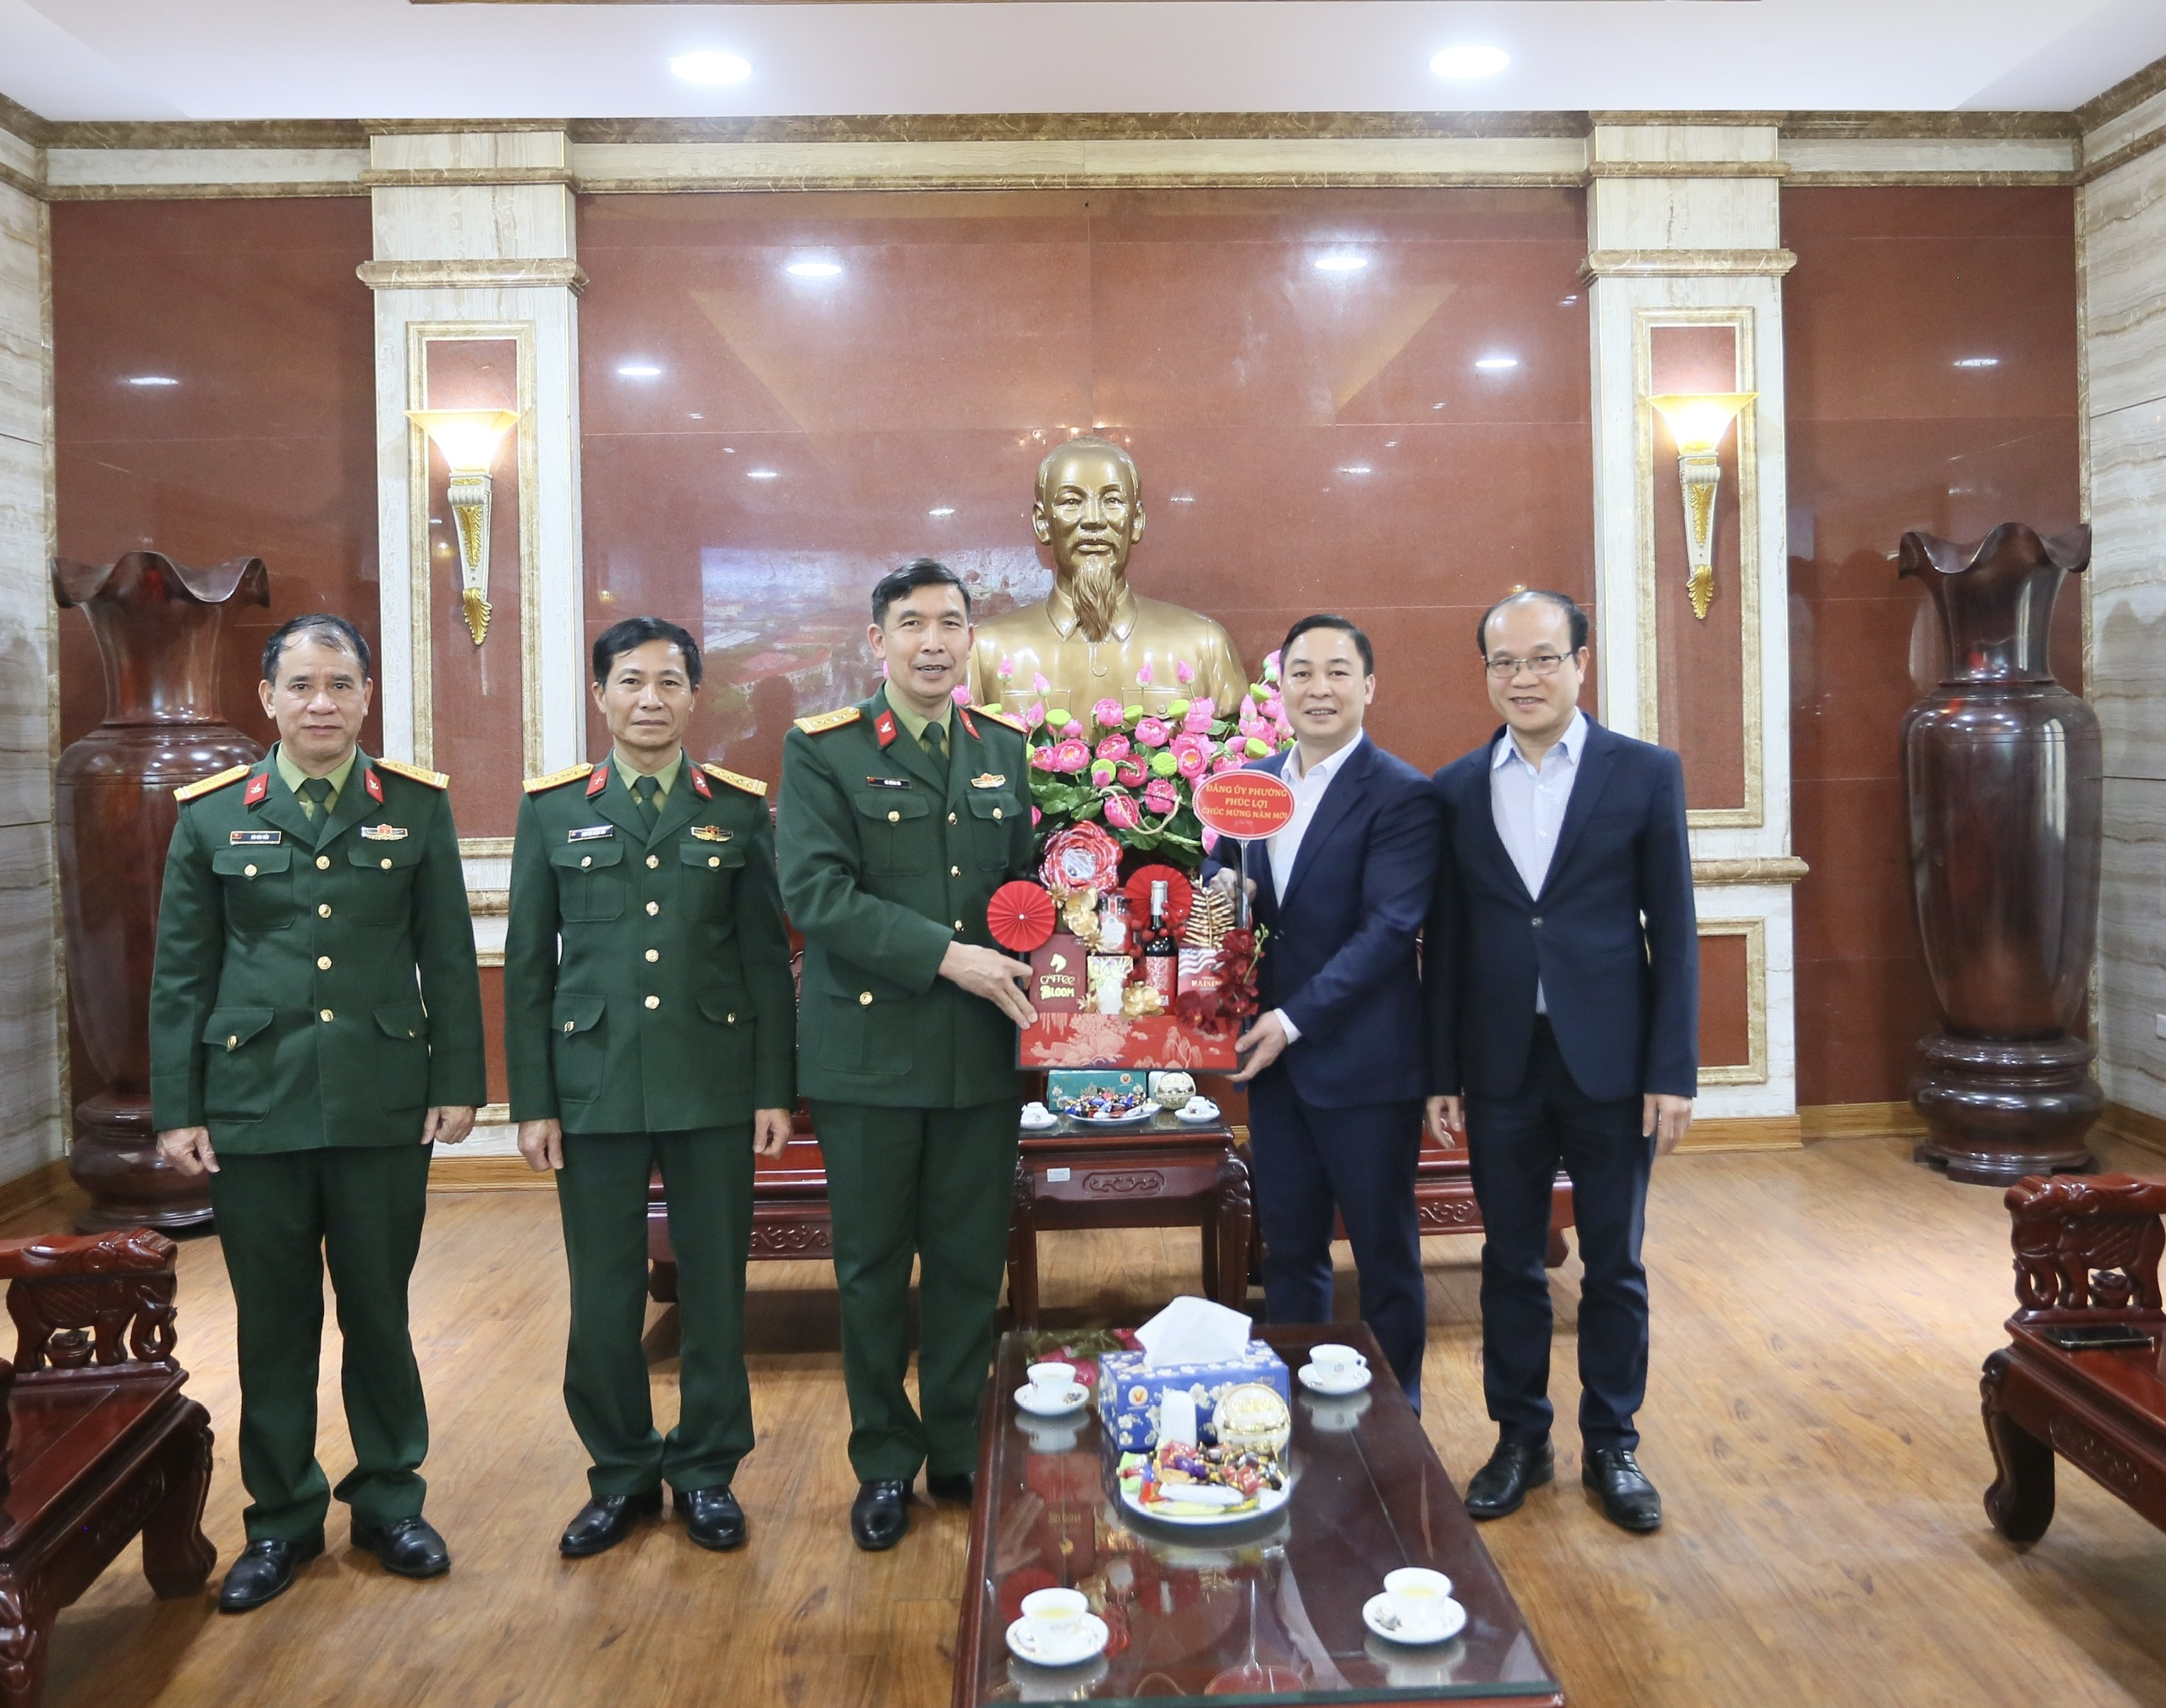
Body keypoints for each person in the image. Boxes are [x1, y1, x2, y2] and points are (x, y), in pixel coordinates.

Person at [148, 612, 485, 1612]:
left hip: (383, 1102)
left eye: (340, 684)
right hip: (256, 1105)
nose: (322, 703)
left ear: (367, 696)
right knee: (274, 1325)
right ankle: (282, 1519)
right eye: (301, 685)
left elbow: (448, 955)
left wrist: (458, 1082)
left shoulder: (414, 807)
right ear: (268, 698)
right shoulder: (213, 814)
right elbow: (181, 973)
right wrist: (179, 1106)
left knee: (379, 1312)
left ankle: (389, 1501)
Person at [504, 616, 796, 1559]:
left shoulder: (736, 810)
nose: (650, 699)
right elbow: (528, 969)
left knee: (713, 1290)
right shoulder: (553, 810)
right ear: (600, 695)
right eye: (630, 681)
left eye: (669, 682)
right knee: (603, 1296)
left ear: (694, 697)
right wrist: (534, 1102)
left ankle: (707, 1471)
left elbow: (764, 959)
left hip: (713, 1081)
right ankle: (621, 1472)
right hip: (593, 1086)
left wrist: (773, 1090)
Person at [1424, 588, 1697, 1534]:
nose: (1524, 677)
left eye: (1543, 657)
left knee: (1614, 1262)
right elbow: (1447, 942)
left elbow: (1674, 930)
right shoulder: (1457, 786)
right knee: (1509, 1260)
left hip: (1612, 1062)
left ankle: (1612, 1443)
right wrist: (1440, 1071)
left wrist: (1672, 1070)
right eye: (1504, 662)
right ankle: (1519, 1439)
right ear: (1486, 675)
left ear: (1581, 663)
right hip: (1500, 1061)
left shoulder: (1643, 772)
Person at [778, 558, 1036, 1551]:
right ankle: (884, 1459)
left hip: (979, 1055)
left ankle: (960, 1446)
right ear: (876, 639)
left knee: (970, 1264)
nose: (933, 642)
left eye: (951, 623)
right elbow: (816, 894)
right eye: (913, 623)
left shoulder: (1003, 749)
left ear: (971, 639)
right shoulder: (824, 751)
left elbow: (1024, 889)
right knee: (873, 1269)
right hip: (870, 1057)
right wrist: (946, 955)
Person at [1207, 614, 1440, 1405]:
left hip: (1365, 1064)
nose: (1319, 688)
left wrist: (1291, 1020)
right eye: (1301, 672)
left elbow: (1389, 932)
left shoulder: (1403, 793)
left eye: (1338, 671)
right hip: (1274, 1072)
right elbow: (1221, 882)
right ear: (1279, 688)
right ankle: (1297, 1413)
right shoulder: (1250, 786)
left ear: (1368, 686)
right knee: (1290, 1253)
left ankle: (1398, 1417)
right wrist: (1222, 890)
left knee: (1384, 1257)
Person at [965, 435, 1248, 715]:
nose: (1094, 519)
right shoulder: (986, 651)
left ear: (1136, 521)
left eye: (1112, 500)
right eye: (1071, 501)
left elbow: (1239, 741)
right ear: (1043, 523)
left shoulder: (1204, 646)